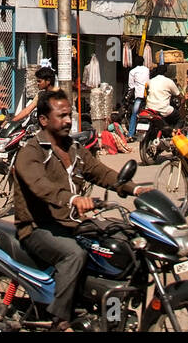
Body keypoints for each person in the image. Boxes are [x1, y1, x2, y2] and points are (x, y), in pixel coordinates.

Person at [12, 90, 152, 330]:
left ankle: (107, 310)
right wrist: (73, 199)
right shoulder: (31, 152)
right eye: (61, 115)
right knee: (73, 254)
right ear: (44, 120)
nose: (68, 120)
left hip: (67, 223)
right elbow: (40, 186)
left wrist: (135, 189)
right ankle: (61, 320)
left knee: (120, 241)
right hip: (37, 227)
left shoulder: (74, 148)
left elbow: (101, 172)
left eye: (69, 115)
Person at [143, 63, 181, 136]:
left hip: (149, 109)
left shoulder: (150, 81)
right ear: (166, 72)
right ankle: (174, 133)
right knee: (180, 118)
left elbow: (145, 94)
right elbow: (178, 95)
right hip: (162, 109)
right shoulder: (169, 81)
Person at [126, 55, 149, 139]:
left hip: (138, 95)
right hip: (147, 94)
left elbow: (131, 85)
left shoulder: (132, 71)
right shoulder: (147, 70)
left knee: (134, 114)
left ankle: (131, 134)